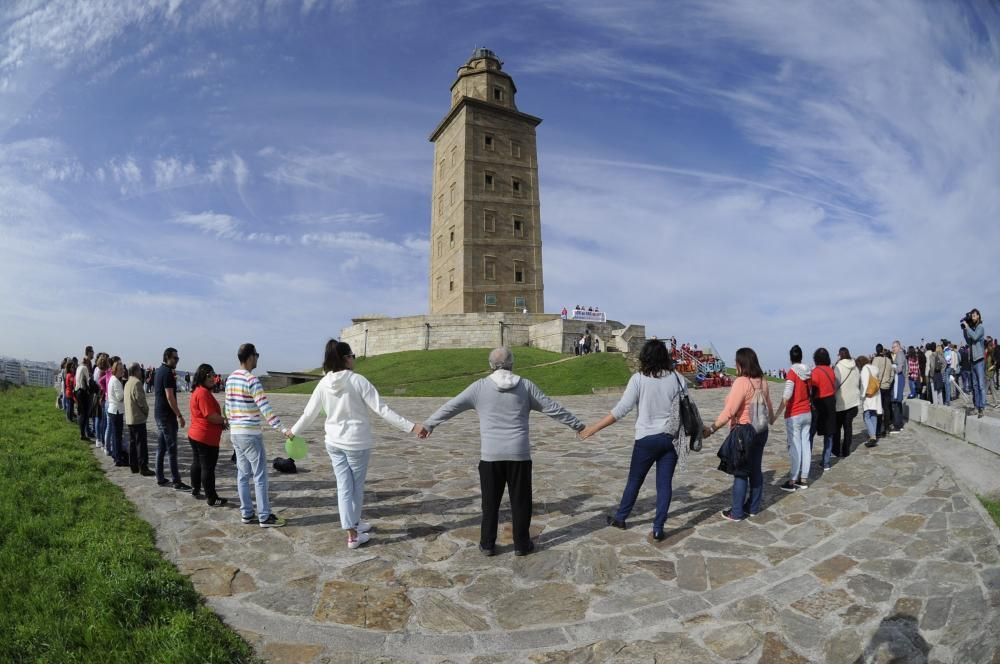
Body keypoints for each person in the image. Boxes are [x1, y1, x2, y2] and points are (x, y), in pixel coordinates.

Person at [420, 347, 585, 556]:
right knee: (521, 502)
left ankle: (487, 544)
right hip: (519, 455)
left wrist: (428, 425)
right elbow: (553, 408)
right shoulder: (525, 386)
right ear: (512, 364)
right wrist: (578, 426)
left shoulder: (478, 388)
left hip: (491, 456)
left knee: (490, 503)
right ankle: (522, 545)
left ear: (490, 365)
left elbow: (451, 406)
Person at [290, 340, 425, 549]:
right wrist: (411, 426)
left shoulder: (324, 383)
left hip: (333, 442)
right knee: (355, 488)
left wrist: (293, 431)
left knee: (344, 486)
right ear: (345, 359)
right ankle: (352, 534)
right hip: (356, 443)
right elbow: (382, 409)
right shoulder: (357, 380)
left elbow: (309, 413)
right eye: (352, 355)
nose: (354, 359)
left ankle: (354, 523)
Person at [579, 340, 686, 541]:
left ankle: (621, 518)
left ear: (644, 357)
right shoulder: (678, 379)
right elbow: (686, 409)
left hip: (646, 439)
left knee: (635, 481)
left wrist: (593, 428)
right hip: (669, 438)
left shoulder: (638, 379)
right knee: (664, 485)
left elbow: (621, 410)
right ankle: (658, 528)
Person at [702, 347, 773, 521]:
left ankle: (737, 512)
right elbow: (769, 408)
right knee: (755, 470)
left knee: (741, 472)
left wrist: (711, 429)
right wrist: (771, 419)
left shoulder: (741, 382)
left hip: (744, 432)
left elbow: (730, 411)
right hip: (761, 431)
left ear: (740, 364)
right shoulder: (763, 381)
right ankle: (753, 507)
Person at [225, 342, 292, 528]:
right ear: (250, 357)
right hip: (250, 434)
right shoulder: (251, 380)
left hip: (236, 433)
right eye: (257, 355)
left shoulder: (230, 379)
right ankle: (264, 516)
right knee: (260, 476)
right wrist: (282, 429)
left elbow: (228, 408)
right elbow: (265, 408)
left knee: (242, 474)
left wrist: (233, 424)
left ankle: (246, 513)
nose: (257, 359)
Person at [771, 345, 812, 491]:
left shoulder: (792, 373)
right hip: (807, 413)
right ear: (801, 356)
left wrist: (776, 415)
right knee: (806, 445)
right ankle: (804, 478)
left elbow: (786, 397)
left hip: (795, 415)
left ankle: (792, 480)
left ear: (791, 358)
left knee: (795, 448)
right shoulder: (808, 372)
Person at [189, 363, 228, 506]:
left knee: (197, 463)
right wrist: (224, 420)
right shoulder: (203, 393)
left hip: (195, 434)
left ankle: (195, 488)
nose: (213, 378)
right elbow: (210, 416)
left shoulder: (198, 390)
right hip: (205, 437)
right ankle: (211, 497)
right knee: (208, 468)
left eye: (214, 375)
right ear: (202, 376)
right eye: (209, 375)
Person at [154, 347, 191, 491]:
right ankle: (176, 481)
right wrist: (179, 415)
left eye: (178, 358)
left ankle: (160, 477)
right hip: (166, 416)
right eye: (175, 358)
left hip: (159, 414)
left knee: (161, 447)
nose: (177, 361)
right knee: (172, 449)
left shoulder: (159, 371)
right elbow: (170, 396)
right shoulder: (168, 373)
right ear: (167, 357)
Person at [809, 348, 838, 472]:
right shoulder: (831, 371)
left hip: (818, 403)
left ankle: (806, 461)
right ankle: (826, 462)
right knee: (829, 434)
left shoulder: (815, 371)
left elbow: (814, 389)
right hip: (831, 402)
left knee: (810, 434)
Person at [125, 362, 154, 475]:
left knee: (133, 443)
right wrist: (146, 411)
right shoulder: (137, 383)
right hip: (137, 418)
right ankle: (143, 467)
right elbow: (141, 401)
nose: (141, 373)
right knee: (141, 444)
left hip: (130, 418)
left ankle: (133, 465)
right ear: (136, 371)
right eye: (139, 371)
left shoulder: (128, 382)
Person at [833, 347, 860, 458]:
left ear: (840, 355)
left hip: (841, 401)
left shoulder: (838, 367)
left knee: (837, 428)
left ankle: (836, 450)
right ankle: (846, 450)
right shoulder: (855, 367)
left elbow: (835, 385)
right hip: (853, 401)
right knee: (848, 427)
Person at [962, 309, 987, 418]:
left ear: (978, 316)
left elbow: (975, 337)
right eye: (971, 315)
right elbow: (969, 341)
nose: (972, 316)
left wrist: (967, 327)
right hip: (972, 361)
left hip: (979, 360)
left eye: (974, 315)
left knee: (981, 385)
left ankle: (982, 407)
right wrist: (964, 329)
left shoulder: (980, 327)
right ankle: (976, 407)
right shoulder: (972, 328)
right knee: (975, 386)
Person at [106, 360, 128, 466]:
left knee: (116, 435)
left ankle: (116, 455)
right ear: (116, 370)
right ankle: (118, 458)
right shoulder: (116, 381)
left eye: (122, 369)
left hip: (113, 409)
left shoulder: (112, 379)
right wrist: (126, 390)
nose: (122, 371)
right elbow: (120, 397)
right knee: (117, 436)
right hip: (116, 411)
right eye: (120, 369)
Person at [857, 355, 882, 448]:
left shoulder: (865, 369)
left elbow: (864, 383)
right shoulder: (874, 368)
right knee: (873, 415)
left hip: (869, 396)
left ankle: (872, 437)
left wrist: (862, 396)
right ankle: (873, 434)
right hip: (876, 395)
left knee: (866, 416)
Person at [870, 344, 894, 437]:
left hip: (879, 387)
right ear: (882, 350)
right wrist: (888, 382)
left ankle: (878, 429)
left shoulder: (875, 360)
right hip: (887, 386)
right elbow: (892, 374)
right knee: (886, 408)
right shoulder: (888, 360)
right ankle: (887, 428)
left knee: (879, 409)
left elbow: (873, 374)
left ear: (876, 350)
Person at [75, 356, 94, 441]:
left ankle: (81, 433)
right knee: (84, 414)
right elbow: (87, 381)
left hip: (77, 391)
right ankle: (83, 434)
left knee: (80, 413)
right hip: (83, 392)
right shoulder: (85, 368)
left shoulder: (78, 367)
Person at [890, 340, 906, 431]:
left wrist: (892, 367)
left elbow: (899, 369)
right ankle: (899, 424)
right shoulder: (901, 354)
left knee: (896, 402)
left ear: (899, 346)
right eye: (892, 347)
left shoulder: (899, 355)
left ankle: (897, 425)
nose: (893, 349)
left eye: (894, 347)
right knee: (898, 402)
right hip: (899, 379)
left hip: (898, 380)